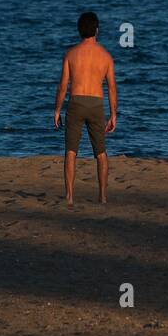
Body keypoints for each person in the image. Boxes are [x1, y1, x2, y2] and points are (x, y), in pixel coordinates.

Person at [52, 11, 117, 204]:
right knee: (101, 152)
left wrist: (56, 110)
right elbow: (112, 88)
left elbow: (63, 85)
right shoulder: (106, 56)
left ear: (79, 30)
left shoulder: (71, 54)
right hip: (96, 103)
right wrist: (113, 114)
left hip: (76, 102)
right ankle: (103, 197)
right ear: (97, 30)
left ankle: (70, 196)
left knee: (71, 151)